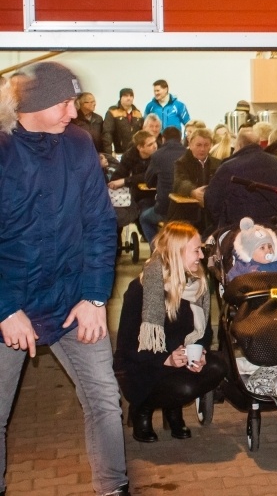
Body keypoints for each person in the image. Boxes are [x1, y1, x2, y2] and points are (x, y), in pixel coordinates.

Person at [0, 62, 130, 495]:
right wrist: (5, 308)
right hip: (10, 306)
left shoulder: (77, 143)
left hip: (72, 300)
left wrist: (94, 298)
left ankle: (113, 489)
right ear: (30, 106)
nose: (74, 113)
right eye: (65, 103)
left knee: (105, 401)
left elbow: (98, 223)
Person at [113, 222, 226, 443]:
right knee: (185, 387)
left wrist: (200, 352)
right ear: (176, 254)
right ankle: (141, 409)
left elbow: (203, 333)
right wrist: (164, 359)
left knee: (219, 366)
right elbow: (125, 347)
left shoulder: (197, 283)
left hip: (179, 358)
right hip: (143, 365)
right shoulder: (141, 289)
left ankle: (171, 409)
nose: (201, 256)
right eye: (196, 250)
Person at [205, 126, 277, 229]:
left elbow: (212, 199)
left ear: (239, 145)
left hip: (239, 227)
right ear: (259, 143)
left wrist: (221, 222)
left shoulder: (228, 167)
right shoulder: (276, 162)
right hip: (271, 225)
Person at [171, 128, 221, 235]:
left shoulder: (218, 164)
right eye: (198, 145)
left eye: (206, 145)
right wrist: (193, 191)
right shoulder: (181, 163)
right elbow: (180, 182)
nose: (202, 149)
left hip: (211, 214)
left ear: (211, 145)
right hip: (187, 213)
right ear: (190, 144)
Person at [141, 126, 185, 244]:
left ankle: (156, 248)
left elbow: (149, 182)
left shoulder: (157, 155)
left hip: (164, 209)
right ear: (180, 139)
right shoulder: (188, 153)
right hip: (187, 210)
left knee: (144, 218)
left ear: (163, 139)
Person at [226, 217, 277, 281]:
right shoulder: (242, 267)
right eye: (262, 248)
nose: (268, 250)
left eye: (270, 246)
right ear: (250, 252)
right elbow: (231, 283)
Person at [108, 129, 159, 212]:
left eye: (155, 142)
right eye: (150, 144)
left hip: (155, 194)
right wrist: (114, 183)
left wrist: (125, 181)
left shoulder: (159, 155)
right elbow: (118, 175)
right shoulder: (129, 156)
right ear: (140, 147)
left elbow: (149, 175)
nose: (155, 146)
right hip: (135, 194)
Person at [102, 88, 144, 155]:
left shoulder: (138, 113)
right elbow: (107, 133)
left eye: (131, 96)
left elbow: (141, 133)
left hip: (135, 152)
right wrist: (110, 151)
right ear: (120, 98)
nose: (129, 98)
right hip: (118, 152)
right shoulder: (112, 112)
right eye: (126, 96)